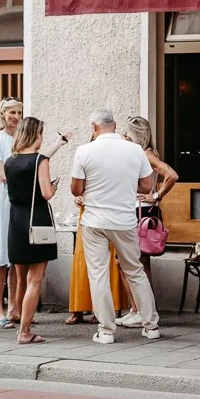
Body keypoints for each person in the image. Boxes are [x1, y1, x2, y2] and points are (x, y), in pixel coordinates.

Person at [71, 109, 159, 344]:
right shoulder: (135, 150)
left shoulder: (84, 151)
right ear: (115, 125)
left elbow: (76, 190)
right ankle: (151, 326)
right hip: (124, 219)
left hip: (95, 220)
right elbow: (147, 185)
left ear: (94, 126)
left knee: (98, 274)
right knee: (135, 270)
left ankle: (107, 330)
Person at [5, 117, 69, 344]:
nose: (42, 138)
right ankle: (24, 332)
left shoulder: (10, 161)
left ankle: (21, 324)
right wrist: (54, 185)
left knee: (21, 279)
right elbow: (47, 194)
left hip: (16, 220)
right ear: (35, 135)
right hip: (37, 219)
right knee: (35, 279)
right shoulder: (40, 160)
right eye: (41, 133)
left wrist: (58, 143)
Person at [115, 116, 179, 329]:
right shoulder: (144, 153)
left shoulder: (146, 154)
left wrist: (157, 195)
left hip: (140, 211)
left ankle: (139, 310)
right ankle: (141, 309)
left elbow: (171, 175)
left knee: (127, 264)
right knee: (139, 264)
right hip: (143, 211)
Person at [0, 97, 24, 329]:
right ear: (2, 114)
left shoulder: (21, 140)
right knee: (0, 258)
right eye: (12, 113)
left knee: (16, 259)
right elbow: (1, 173)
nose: (16, 117)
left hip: (18, 203)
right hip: (4, 203)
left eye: (19, 112)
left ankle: (13, 307)